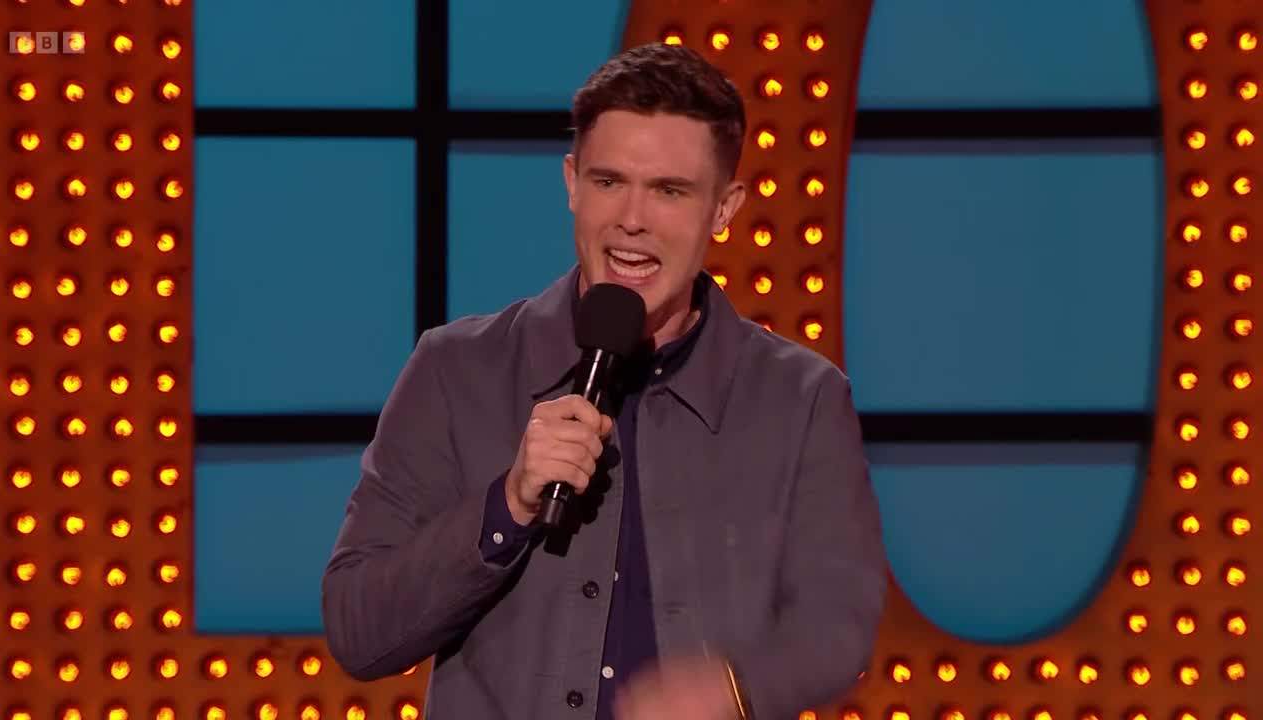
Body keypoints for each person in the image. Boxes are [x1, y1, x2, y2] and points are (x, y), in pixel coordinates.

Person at [321, 42, 887, 720]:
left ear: (725, 207)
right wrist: (507, 506)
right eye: (609, 182)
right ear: (571, 182)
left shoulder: (801, 400)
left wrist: (732, 692)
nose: (631, 220)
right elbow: (358, 629)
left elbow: (837, 626)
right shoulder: (454, 371)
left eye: (669, 191)